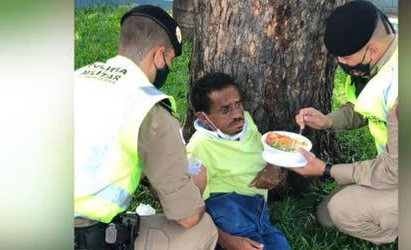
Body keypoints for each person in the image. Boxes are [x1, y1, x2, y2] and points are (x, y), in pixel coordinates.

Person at [74, 5, 217, 249]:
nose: (168, 67)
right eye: (170, 60)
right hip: (81, 237)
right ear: (159, 55)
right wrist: (197, 187)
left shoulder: (75, 76)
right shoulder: (149, 108)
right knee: (203, 228)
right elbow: (188, 217)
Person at [292, 0, 398, 245]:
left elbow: (394, 172)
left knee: (342, 209)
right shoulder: (383, 61)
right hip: (394, 167)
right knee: (326, 214)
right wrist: (328, 121)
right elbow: (367, 107)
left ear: (371, 50)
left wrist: (326, 170)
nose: (342, 63)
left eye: (345, 57)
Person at [186, 72, 291, 250]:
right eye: (225, 110)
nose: (237, 114)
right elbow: (190, 206)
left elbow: (265, 149)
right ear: (204, 118)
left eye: (238, 104)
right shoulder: (198, 147)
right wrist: (225, 239)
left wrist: (273, 166)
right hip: (225, 205)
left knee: (280, 246)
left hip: (257, 207)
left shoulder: (246, 121)